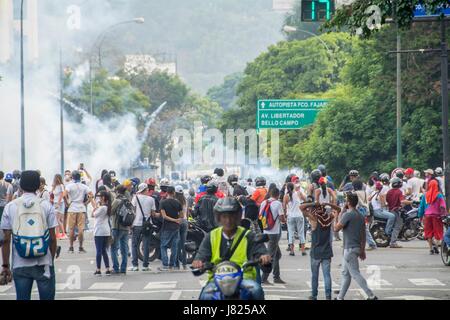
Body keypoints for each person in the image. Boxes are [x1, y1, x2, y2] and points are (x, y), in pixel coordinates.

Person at [192, 197, 271, 300]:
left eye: (232, 216)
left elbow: (260, 251)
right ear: (219, 218)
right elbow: (202, 254)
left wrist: (263, 257)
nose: (228, 220)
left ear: (238, 217)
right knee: (205, 296)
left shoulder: (248, 235)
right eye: (224, 217)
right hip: (217, 280)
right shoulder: (211, 236)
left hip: (244, 278)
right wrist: (198, 262)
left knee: (256, 290)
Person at [0, 170, 58, 300]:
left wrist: (5, 266)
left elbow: (5, 240)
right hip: (43, 263)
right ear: (38, 185)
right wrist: (51, 260)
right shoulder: (46, 205)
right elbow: (53, 239)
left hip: (20, 263)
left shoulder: (10, 207)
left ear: (20, 185)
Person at [333, 192, 378, 300]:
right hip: (355, 248)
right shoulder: (360, 216)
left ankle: (371, 295)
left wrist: (337, 216)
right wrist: (362, 250)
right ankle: (340, 297)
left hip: (349, 249)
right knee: (345, 273)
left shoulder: (348, 215)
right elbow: (363, 235)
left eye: (346, 200)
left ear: (348, 202)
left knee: (355, 273)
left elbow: (336, 228)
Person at [301, 201, 341, 300]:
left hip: (315, 252)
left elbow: (301, 207)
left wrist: (313, 203)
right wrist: (328, 203)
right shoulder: (328, 218)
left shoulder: (314, 219)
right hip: (327, 251)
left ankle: (314, 295)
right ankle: (328, 296)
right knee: (327, 275)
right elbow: (338, 210)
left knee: (315, 276)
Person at [63, 170, 95, 253]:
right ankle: (81, 247)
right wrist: (86, 203)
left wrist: (67, 203)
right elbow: (91, 195)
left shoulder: (69, 186)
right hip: (81, 208)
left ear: (72, 177)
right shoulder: (84, 186)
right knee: (81, 229)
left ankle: (71, 247)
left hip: (72, 208)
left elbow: (64, 195)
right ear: (80, 177)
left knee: (71, 229)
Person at [260, 187, 286, 285]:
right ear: (278, 194)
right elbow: (282, 218)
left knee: (277, 255)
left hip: (265, 231)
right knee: (270, 256)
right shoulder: (278, 203)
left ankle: (276, 276)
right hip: (274, 233)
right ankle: (264, 277)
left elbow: (260, 216)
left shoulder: (264, 202)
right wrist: (283, 219)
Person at [129, 183, 156, 272]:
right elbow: (153, 214)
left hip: (136, 224)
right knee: (146, 245)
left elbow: (132, 211)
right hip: (147, 225)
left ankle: (135, 265)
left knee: (134, 244)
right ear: (146, 189)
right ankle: (145, 265)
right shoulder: (151, 199)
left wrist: (131, 224)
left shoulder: (135, 198)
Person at [418, 179, 447, 255]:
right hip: (437, 216)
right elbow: (443, 206)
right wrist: (444, 214)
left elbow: (421, 207)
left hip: (427, 216)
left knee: (429, 232)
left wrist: (420, 216)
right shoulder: (439, 195)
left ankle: (431, 249)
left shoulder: (425, 195)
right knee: (438, 232)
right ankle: (436, 247)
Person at [159, 186, 183, 271]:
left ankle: (165, 265)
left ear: (167, 193)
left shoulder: (163, 202)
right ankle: (171, 265)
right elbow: (181, 215)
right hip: (176, 228)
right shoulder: (178, 203)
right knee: (174, 247)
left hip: (166, 227)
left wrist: (174, 220)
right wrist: (176, 220)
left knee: (163, 246)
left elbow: (164, 216)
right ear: (174, 192)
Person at [386, 177, 412, 248]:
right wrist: (411, 202)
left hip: (390, 210)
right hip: (396, 211)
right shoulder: (399, 192)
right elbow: (402, 201)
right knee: (397, 227)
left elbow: (387, 201)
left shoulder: (389, 191)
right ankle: (393, 242)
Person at [110, 185, 130, 274]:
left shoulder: (117, 201)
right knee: (124, 249)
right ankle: (123, 268)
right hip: (126, 227)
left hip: (117, 227)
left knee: (114, 248)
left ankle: (116, 268)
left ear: (117, 191)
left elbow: (110, 212)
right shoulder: (127, 200)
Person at [283, 182, 307, 256]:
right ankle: (303, 250)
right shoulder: (299, 193)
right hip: (299, 215)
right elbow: (306, 200)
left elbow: (284, 207)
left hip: (290, 216)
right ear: (293, 187)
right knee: (301, 233)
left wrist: (285, 216)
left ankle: (292, 251)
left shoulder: (286, 196)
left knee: (291, 233)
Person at [353, 179, 377, 250]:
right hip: (365, 211)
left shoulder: (355, 193)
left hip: (358, 212)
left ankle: (371, 244)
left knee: (362, 229)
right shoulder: (365, 192)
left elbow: (355, 203)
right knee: (362, 229)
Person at [92, 190, 112, 276]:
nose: (99, 198)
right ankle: (107, 268)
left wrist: (95, 205)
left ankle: (98, 269)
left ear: (103, 198)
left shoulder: (102, 208)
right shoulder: (107, 207)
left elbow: (93, 214)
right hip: (106, 231)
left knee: (99, 251)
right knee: (104, 251)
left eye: (100, 197)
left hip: (99, 231)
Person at [175, 185, 188, 270]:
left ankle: (177, 264)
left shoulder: (175, 201)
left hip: (177, 222)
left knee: (176, 243)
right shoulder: (185, 200)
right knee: (183, 244)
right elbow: (187, 211)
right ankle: (184, 264)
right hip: (185, 222)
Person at [51, 174, 66, 240]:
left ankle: (63, 233)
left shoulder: (61, 185)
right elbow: (52, 194)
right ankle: (57, 233)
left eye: (56, 178)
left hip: (60, 203)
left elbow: (62, 194)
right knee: (56, 219)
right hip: (55, 203)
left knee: (58, 219)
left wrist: (58, 204)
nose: (55, 179)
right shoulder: (54, 186)